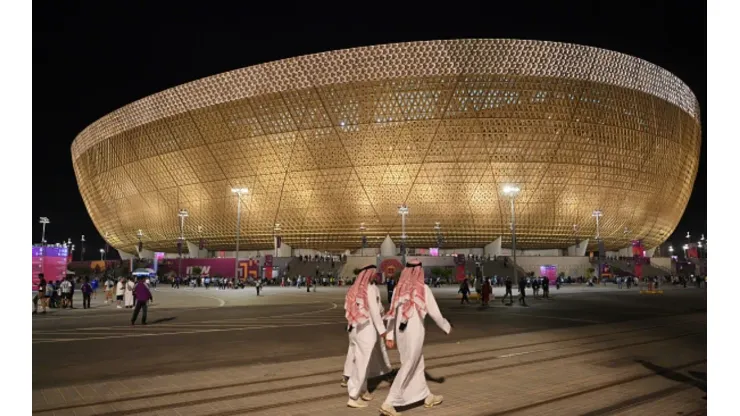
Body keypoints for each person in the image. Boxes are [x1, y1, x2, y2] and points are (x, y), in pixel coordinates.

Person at [380, 260, 451, 416]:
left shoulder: (399, 290)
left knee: (418, 363)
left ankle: (426, 395)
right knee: (410, 363)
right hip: (414, 332)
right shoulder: (423, 289)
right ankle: (389, 402)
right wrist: (446, 327)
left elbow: (392, 314)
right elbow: (435, 313)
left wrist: (390, 335)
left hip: (400, 333)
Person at [344, 265, 389, 409]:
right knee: (362, 365)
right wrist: (383, 330)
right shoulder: (368, 289)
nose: (374, 275)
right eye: (373, 273)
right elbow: (375, 311)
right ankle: (353, 396)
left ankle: (362, 390)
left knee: (362, 363)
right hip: (366, 331)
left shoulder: (355, 288)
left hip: (355, 329)